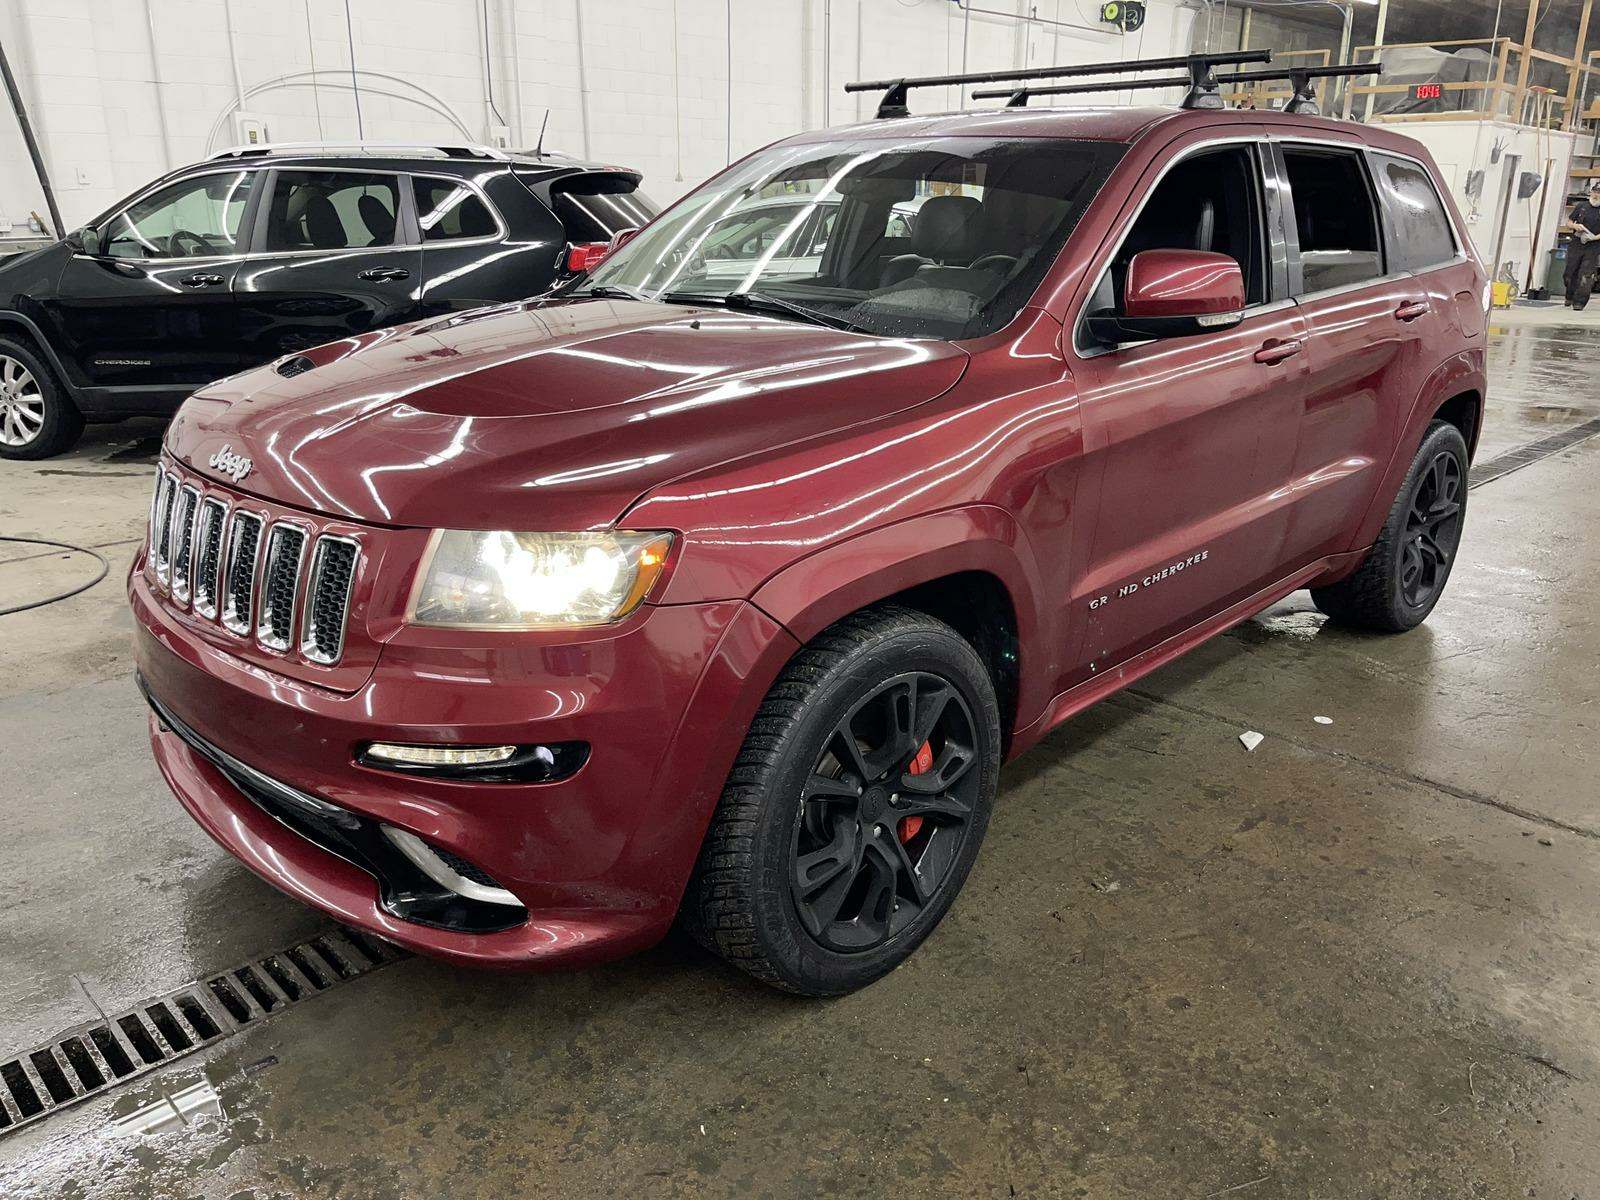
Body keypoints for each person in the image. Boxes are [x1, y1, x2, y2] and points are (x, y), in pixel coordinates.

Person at [1560, 182, 1600, 309]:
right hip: (1576, 243)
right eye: (1595, 192)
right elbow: (1569, 222)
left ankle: (1579, 302)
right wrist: (1575, 226)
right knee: (1570, 272)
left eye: (1599, 193)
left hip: (1593, 246)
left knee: (1586, 275)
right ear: (1591, 192)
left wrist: (1594, 237)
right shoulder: (1582, 206)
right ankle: (1569, 296)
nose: (1596, 195)